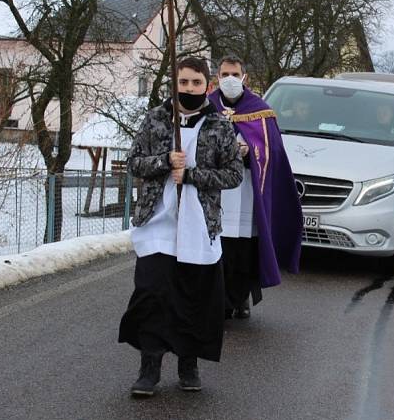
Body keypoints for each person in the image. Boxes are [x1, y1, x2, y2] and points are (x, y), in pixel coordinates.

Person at [119, 56, 243, 396]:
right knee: (152, 292)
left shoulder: (219, 125)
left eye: (196, 83)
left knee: (194, 298)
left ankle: (188, 364)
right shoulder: (157, 119)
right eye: (184, 82)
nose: (189, 89)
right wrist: (163, 162)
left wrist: (191, 175)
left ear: (208, 86)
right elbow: (133, 162)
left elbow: (234, 173)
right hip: (158, 223)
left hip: (200, 224)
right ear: (175, 83)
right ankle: (149, 368)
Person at [208, 54, 303, 321]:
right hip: (216, 193)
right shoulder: (207, 107)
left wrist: (251, 151)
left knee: (244, 249)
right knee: (219, 246)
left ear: (244, 78)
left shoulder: (260, 110)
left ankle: (241, 297)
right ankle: (221, 299)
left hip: (247, 191)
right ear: (217, 77)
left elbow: (272, 150)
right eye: (225, 74)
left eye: (235, 75)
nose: (229, 80)